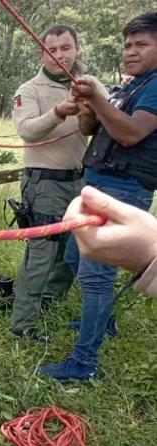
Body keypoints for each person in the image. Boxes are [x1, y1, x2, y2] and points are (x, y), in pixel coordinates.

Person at [40, 12, 157, 382]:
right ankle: (102, 321)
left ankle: (83, 364)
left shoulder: (155, 87)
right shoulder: (131, 87)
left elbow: (131, 135)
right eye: (127, 45)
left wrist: (100, 99)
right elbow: (91, 128)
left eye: (142, 45)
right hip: (98, 183)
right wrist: (89, 106)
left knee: (95, 277)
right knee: (77, 255)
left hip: (122, 191)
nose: (131, 52)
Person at [10, 25, 106, 343]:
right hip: (45, 185)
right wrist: (58, 112)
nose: (59, 56)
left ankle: (48, 303)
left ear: (77, 48)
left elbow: (102, 124)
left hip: (81, 182)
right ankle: (23, 325)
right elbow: (28, 130)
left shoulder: (89, 86)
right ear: (43, 53)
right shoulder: (30, 90)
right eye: (52, 49)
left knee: (71, 252)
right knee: (41, 256)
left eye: (65, 48)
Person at [64, 186, 157, 296]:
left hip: (125, 186)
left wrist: (150, 252)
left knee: (94, 281)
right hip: (98, 182)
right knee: (72, 259)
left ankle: (101, 311)